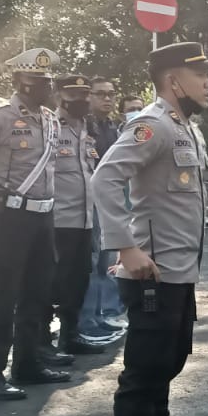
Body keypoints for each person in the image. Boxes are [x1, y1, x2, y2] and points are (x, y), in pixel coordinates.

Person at [90, 41, 208, 416]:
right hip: (151, 272)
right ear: (172, 79)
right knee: (143, 374)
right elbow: (104, 178)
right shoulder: (153, 125)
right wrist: (125, 246)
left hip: (178, 271)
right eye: (200, 73)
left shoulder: (186, 128)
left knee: (167, 363)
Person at [0, 48, 73, 401]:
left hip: (43, 217)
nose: (48, 88)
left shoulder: (51, 120)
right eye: (40, 82)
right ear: (21, 83)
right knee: (1, 297)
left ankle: (28, 364)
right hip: (9, 218)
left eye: (48, 81)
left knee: (37, 295)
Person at [41, 74, 102, 356]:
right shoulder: (49, 126)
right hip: (58, 220)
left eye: (85, 94)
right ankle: (42, 342)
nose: (82, 100)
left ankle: (70, 335)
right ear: (59, 96)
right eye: (74, 95)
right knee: (51, 282)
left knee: (79, 280)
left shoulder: (88, 128)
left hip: (84, 220)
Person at [79, 76, 128, 343]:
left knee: (105, 264)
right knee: (90, 262)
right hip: (86, 203)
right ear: (89, 97)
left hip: (108, 203)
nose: (107, 98)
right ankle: (86, 320)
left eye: (111, 93)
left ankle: (100, 316)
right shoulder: (82, 125)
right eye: (100, 94)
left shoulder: (112, 127)